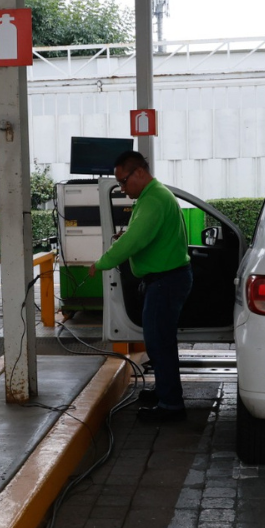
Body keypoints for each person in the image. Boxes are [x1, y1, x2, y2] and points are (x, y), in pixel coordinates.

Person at [88, 151, 192, 423]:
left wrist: (101, 262)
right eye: (119, 184)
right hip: (165, 279)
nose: (122, 189)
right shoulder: (152, 196)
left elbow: (133, 241)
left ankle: (171, 406)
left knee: (159, 344)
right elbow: (142, 235)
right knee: (159, 343)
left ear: (140, 173)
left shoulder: (154, 200)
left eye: (123, 182)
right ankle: (164, 391)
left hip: (166, 281)